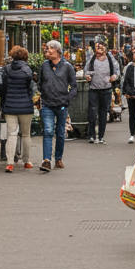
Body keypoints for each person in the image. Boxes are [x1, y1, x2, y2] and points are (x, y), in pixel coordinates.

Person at [37, 40, 76, 172]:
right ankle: (46, 160)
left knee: (60, 133)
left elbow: (74, 86)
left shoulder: (67, 67)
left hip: (61, 105)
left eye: (50, 49)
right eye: (46, 48)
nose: (46, 51)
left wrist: (67, 100)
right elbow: (40, 83)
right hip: (47, 104)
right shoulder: (44, 66)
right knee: (48, 131)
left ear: (58, 51)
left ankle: (58, 158)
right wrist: (43, 94)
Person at [2, 46, 37, 171]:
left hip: (10, 105)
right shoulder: (27, 70)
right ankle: (26, 161)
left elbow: (4, 87)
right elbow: (31, 88)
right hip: (25, 106)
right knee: (26, 134)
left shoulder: (7, 69)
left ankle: (10, 163)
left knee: (11, 134)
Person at [84, 41, 120, 144]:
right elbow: (86, 70)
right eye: (97, 47)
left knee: (103, 113)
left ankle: (101, 136)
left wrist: (115, 76)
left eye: (101, 46)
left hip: (106, 89)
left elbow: (117, 70)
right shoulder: (92, 59)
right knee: (92, 112)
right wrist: (87, 76)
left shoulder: (110, 58)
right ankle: (91, 135)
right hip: (94, 89)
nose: (99, 48)